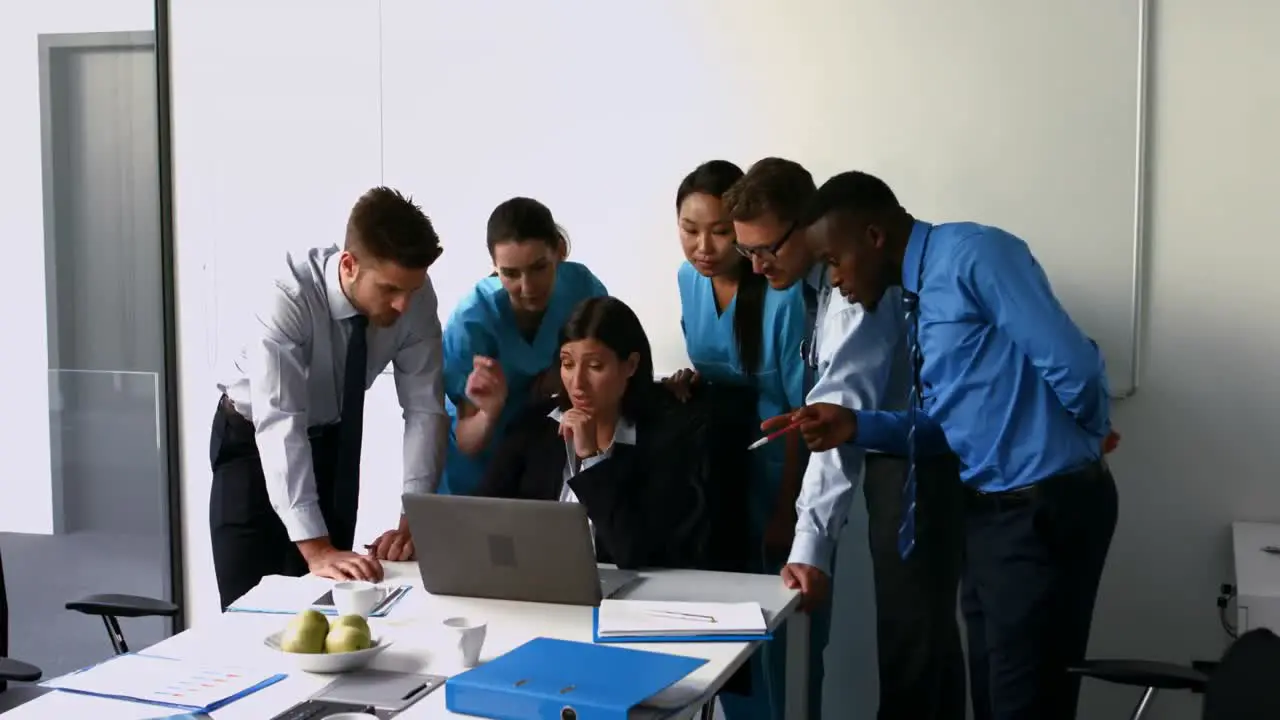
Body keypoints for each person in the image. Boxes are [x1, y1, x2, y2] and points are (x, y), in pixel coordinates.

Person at [780, 170, 1119, 720]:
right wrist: (854, 426)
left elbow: (1075, 364)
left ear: (874, 237)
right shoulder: (916, 297)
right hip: (988, 512)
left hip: (1044, 506)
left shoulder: (974, 255)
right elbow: (943, 428)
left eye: (834, 260)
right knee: (990, 694)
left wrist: (1089, 433)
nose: (835, 280)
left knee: (1024, 701)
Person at [727, 158, 967, 720]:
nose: (758, 267)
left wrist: (811, 549)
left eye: (768, 250)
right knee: (922, 649)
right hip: (895, 454)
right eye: (748, 254)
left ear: (808, 227)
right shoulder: (817, 287)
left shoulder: (859, 294)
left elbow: (840, 425)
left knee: (914, 650)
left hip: (912, 465)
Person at [209, 186, 448, 610]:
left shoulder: (414, 296)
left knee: (334, 601)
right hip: (251, 444)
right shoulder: (289, 296)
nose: (403, 304)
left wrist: (414, 520)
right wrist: (316, 548)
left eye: (412, 289)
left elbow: (425, 410)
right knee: (250, 611)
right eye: (391, 289)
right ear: (349, 264)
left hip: (332, 439)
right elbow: (279, 422)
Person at [665, 160, 808, 720]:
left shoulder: (781, 291)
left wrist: (788, 509)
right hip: (717, 475)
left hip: (782, 472)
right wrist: (688, 385)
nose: (703, 246)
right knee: (726, 633)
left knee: (783, 641)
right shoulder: (687, 282)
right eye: (689, 228)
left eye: (721, 231)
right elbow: (716, 369)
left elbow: (803, 411)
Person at [476, 296, 723, 569]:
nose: (577, 383)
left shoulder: (667, 439)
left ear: (630, 365)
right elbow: (482, 516)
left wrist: (591, 458)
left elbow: (634, 553)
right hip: (535, 581)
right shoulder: (534, 425)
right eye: (567, 364)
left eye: (595, 366)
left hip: (626, 594)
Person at [437, 197, 608, 497]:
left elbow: (607, 358)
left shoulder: (581, 287)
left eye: (539, 267)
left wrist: (562, 371)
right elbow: (466, 441)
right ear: (493, 266)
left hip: (542, 457)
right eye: (510, 274)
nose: (527, 288)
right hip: (477, 465)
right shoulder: (471, 322)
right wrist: (489, 413)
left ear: (559, 252)